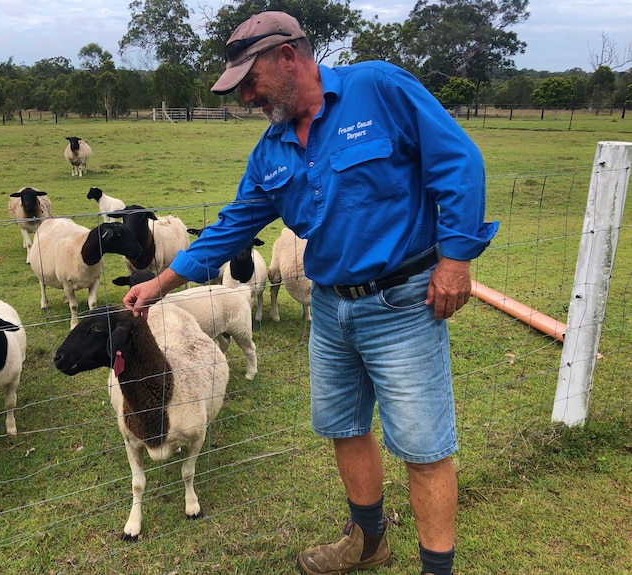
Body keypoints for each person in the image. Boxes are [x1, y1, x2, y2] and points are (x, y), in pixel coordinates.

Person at [124, 10, 498, 575]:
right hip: (329, 308)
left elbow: (459, 162)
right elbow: (232, 227)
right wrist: (160, 282)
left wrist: (456, 258)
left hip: (403, 303)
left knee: (423, 448)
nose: (246, 97)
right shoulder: (270, 150)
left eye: (251, 81)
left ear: (289, 56)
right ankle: (368, 541)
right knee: (344, 427)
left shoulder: (379, 88)